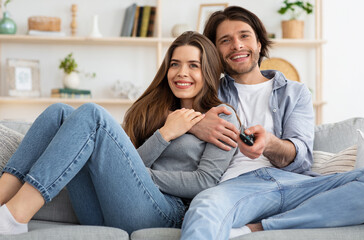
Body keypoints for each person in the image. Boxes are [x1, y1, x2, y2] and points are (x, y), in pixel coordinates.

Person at [180, 6, 364, 240]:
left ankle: (257, 228)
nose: (237, 45)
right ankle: (281, 222)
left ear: (258, 42)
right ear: (215, 50)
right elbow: (150, 112)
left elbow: (302, 158)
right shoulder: (206, 91)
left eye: (244, 36)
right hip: (236, 188)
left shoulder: (295, 92)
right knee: (204, 206)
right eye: (225, 40)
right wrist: (194, 124)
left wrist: (269, 143)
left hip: (297, 185)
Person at [0, 31, 239, 235]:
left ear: (208, 71)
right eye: (175, 64)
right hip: (106, 209)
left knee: (93, 115)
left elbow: (205, 182)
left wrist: (140, 174)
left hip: (166, 213)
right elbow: (129, 166)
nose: (181, 72)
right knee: (59, 112)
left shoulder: (222, 116)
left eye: (193, 65)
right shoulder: (154, 112)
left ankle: (15, 217)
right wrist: (164, 134)